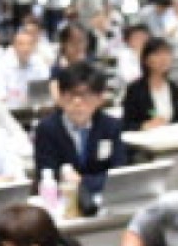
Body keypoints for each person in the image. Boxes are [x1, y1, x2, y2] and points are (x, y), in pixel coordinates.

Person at [34, 61, 127, 195]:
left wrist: (83, 182)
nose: (77, 102)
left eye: (85, 95)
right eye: (71, 95)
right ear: (60, 97)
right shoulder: (47, 128)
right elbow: (46, 174)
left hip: (104, 196)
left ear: (100, 98)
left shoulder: (111, 126)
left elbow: (119, 174)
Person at [121, 37, 178, 132]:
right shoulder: (135, 89)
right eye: (157, 54)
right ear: (146, 60)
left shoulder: (173, 87)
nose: (163, 58)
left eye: (167, 53)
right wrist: (143, 126)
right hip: (145, 142)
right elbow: (125, 125)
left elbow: (177, 118)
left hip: (171, 140)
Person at [0, 27, 49, 106]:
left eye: (29, 44)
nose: (26, 48)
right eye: (21, 44)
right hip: (10, 113)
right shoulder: (3, 65)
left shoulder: (40, 64)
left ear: (33, 46)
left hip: (35, 111)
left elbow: (45, 95)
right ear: (14, 47)